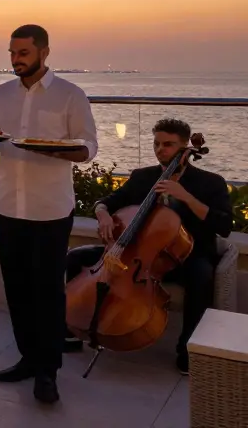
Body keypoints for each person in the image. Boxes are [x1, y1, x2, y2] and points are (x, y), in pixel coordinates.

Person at [0, 24, 98, 405]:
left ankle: (48, 371)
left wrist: (57, 151)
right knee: (17, 288)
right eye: (12, 53)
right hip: (7, 204)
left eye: (23, 53)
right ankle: (27, 357)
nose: (16, 60)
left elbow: (88, 148)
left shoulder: (71, 95)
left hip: (50, 207)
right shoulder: (0, 94)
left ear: (44, 52)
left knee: (48, 292)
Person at [65, 118, 232, 374]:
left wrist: (185, 196)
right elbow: (105, 201)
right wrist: (103, 214)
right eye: (156, 143)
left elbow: (223, 225)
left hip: (185, 255)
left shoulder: (211, 182)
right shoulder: (143, 177)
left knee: (201, 276)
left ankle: (187, 349)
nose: (160, 149)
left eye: (168, 144)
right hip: (135, 254)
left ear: (185, 147)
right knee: (74, 258)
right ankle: (72, 330)